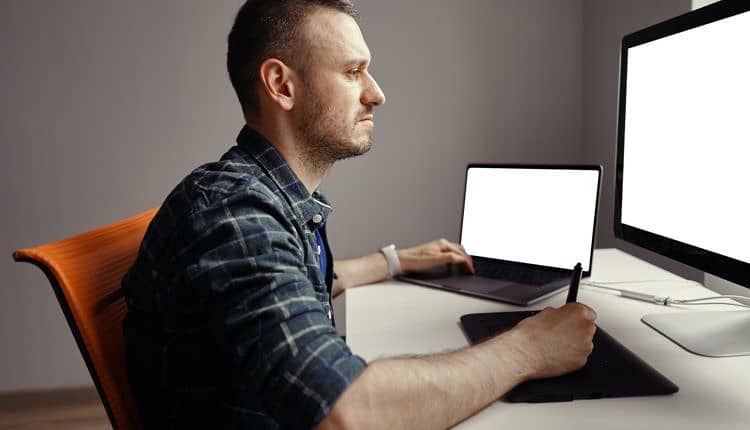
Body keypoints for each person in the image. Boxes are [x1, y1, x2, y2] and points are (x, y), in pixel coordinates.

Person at [122, 0, 597, 428]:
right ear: (281, 85)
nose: (376, 93)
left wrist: (395, 261)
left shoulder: (259, 196)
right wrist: (530, 349)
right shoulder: (234, 214)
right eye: (353, 72)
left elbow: (295, 283)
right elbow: (347, 412)